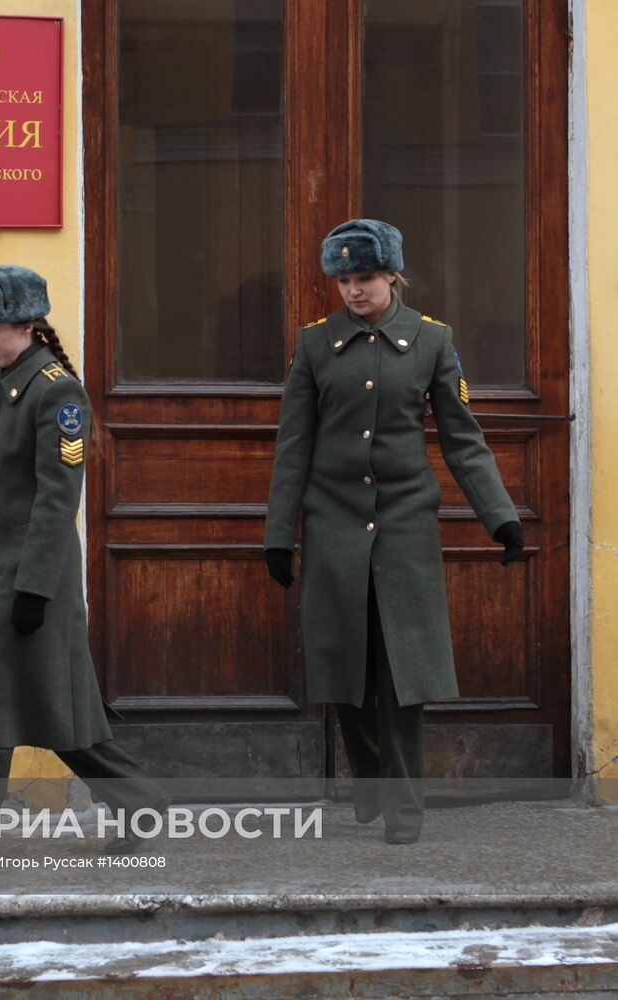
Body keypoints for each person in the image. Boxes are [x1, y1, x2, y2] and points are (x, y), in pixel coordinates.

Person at [263, 220, 523, 845]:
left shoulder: (433, 342)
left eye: (366, 279)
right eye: (345, 281)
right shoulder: (315, 345)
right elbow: (293, 446)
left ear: (392, 276)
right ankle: (373, 776)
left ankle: (404, 804)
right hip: (333, 525)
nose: (354, 291)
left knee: (405, 670)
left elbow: (464, 438)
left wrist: (501, 517)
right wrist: (280, 532)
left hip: (406, 525)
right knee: (343, 665)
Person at [0, 265, 167, 877]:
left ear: (26, 324)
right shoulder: (6, 384)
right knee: (61, 715)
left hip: (32, 584)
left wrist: (29, 589)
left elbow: (57, 498)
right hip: (2, 579)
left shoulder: (54, 392)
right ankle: (144, 803)